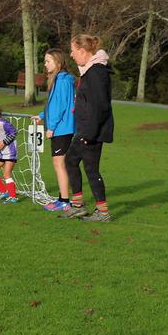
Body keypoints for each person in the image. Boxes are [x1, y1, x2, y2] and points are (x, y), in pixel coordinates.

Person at [62, 34, 115, 223]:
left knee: (90, 168)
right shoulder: (89, 71)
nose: (71, 54)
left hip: (91, 131)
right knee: (72, 161)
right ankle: (80, 205)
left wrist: (89, 134)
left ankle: (101, 211)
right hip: (86, 129)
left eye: (73, 51)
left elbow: (100, 106)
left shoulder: (96, 73)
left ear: (83, 51)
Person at [34, 48, 76, 212]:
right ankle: (62, 198)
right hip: (60, 127)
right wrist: (41, 116)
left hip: (62, 128)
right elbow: (52, 104)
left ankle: (65, 201)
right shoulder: (59, 79)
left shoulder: (63, 80)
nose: (45, 64)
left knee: (59, 164)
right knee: (59, 163)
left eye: (48, 61)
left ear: (58, 62)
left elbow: (60, 107)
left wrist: (51, 127)